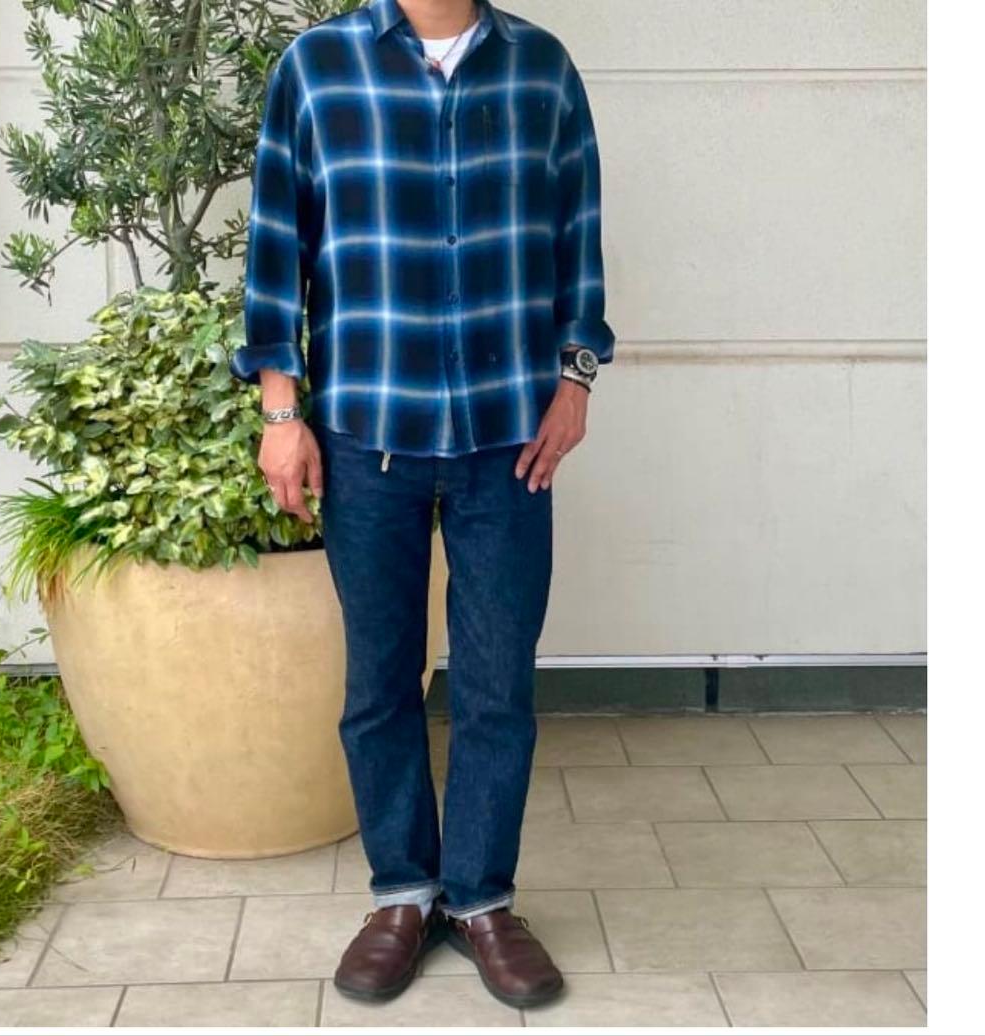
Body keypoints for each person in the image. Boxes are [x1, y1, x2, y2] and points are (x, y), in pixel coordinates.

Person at [230, 0, 614, 1009]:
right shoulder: (318, 67)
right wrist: (281, 410)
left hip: (508, 439)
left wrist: (576, 380)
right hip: (369, 435)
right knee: (379, 683)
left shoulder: (541, 68)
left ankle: (482, 899)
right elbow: (277, 245)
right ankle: (402, 893)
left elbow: (578, 236)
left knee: (497, 685)